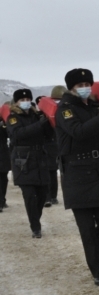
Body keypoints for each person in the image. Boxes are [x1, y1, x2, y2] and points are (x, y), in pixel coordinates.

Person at [54, 68, 99, 286]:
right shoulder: (65, 109)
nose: (84, 88)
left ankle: (98, 255)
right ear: (71, 88)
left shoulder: (95, 107)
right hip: (77, 173)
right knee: (87, 229)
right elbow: (79, 132)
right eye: (79, 85)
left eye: (87, 84)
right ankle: (98, 271)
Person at [6, 89, 53, 237]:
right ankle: (35, 227)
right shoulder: (13, 118)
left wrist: (48, 123)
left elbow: (48, 135)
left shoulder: (37, 115)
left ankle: (35, 219)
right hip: (23, 159)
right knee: (29, 195)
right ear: (16, 102)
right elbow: (18, 134)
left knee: (42, 193)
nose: (25, 102)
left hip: (39, 157)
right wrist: (40, 125)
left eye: (27, 99)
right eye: (22, 100)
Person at [0, 117, 10, 212]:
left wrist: (4, 125)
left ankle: (2, 199)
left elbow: (9, 134)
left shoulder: (3, 121)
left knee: (3, 178)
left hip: (2, 153)